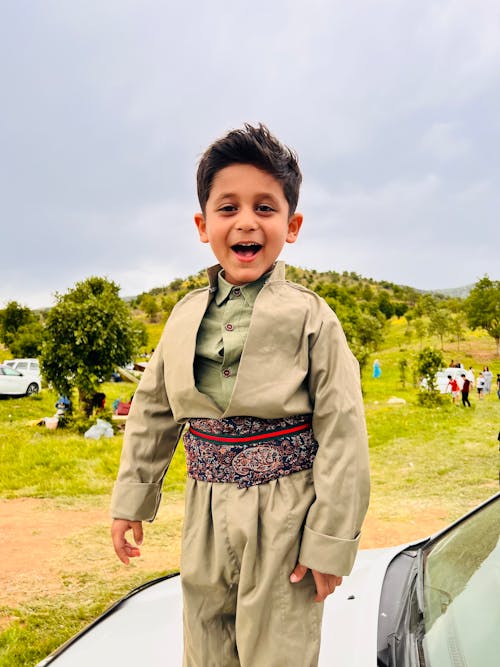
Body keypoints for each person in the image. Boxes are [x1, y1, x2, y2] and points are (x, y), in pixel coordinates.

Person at [110, 123, 370, 667]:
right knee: (205, 642)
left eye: (265, 208)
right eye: (228, 208)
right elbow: (153, 411)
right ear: (203, 225)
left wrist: (328, 540)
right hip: (203, 508)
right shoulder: (182, 317)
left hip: (285, 514)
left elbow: (343, 432)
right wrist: (132, 499)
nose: (246, 222)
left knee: (279, 649)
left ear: (292, 225)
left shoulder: (311, 317)